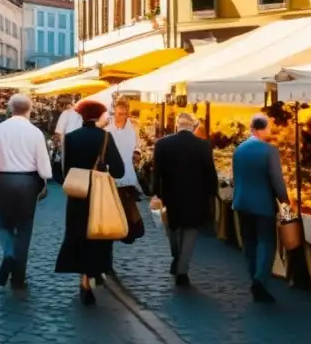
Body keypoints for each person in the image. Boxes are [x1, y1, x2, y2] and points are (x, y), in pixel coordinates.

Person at [56, 100, 125, 306]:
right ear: (99, 116)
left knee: (79, 233)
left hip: (78, 193)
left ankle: (84, 278)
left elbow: (65, 170)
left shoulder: (70, 138)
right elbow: (119, 170)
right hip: (99, 193)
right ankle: (94, 274)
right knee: (99, 232)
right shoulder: (105, 137)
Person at [0, 93, 52, 290]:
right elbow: (44, 167)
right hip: (27, 181)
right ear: (30, 109)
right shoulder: (35, 132)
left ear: (10, 109)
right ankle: (18, 275)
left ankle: (8, 257)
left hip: (4, 180)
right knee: (24, 228)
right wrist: (45, 177)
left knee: (5, 223)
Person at [152, 112, 219, 287]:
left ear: (177, 125)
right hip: (196, 196)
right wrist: (212, 193)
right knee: (190, 232)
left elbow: (156, 172)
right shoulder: (203, 146)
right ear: (192, 127)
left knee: (171, 230)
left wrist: (154, 193)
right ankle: (182, 271)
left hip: (170, 195)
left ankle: (176, 256)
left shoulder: (162, 144)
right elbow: (210, 173)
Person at [231, 114, 289, 303]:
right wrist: (284, 199)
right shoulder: (269, 151)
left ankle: (253, 274)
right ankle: (259, 280)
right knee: (266, 241)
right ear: (262, 129)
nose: (270, 131)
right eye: (269, 127)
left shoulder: (239, 149)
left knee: (249, 241)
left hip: (241, 202)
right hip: (262, 203)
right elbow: (276, 179)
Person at [106, 98, 144, 243]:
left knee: (128, 203)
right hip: (112, 174)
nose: (121, 115)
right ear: (114, 111)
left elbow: (138, 146)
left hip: (128, 173)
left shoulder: (133, 127)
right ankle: (117, 230)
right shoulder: (107, 129)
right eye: (119, 112)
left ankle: (129, 231)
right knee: (115, 205)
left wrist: (137, 153)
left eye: (124, 113)